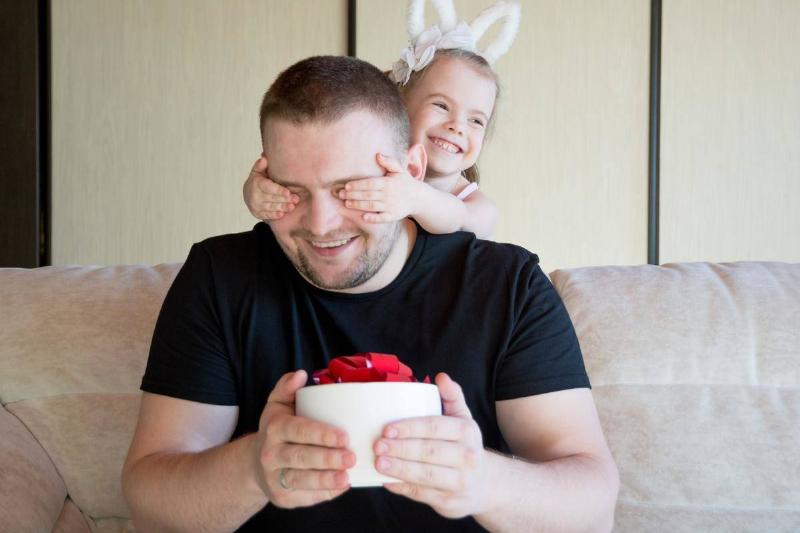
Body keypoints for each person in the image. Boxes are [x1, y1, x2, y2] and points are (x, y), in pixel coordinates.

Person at [122, 53, 618, 532]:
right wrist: (253, 469)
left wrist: (484, 481)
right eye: (292, 191)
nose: (320, 226)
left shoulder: (508, 286)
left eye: (349, 189)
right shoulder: (220, 277)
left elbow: (594, 510)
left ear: (413, 171)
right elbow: (150, 507)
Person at [241, 2, 518, 240]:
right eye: (441, 105)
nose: (457, 126)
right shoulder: (370, 163)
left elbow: (461, 220)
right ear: (397, 105)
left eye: (476, 121)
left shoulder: (473, 203)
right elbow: (313, 185)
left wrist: (415, 198)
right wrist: (258, 193)